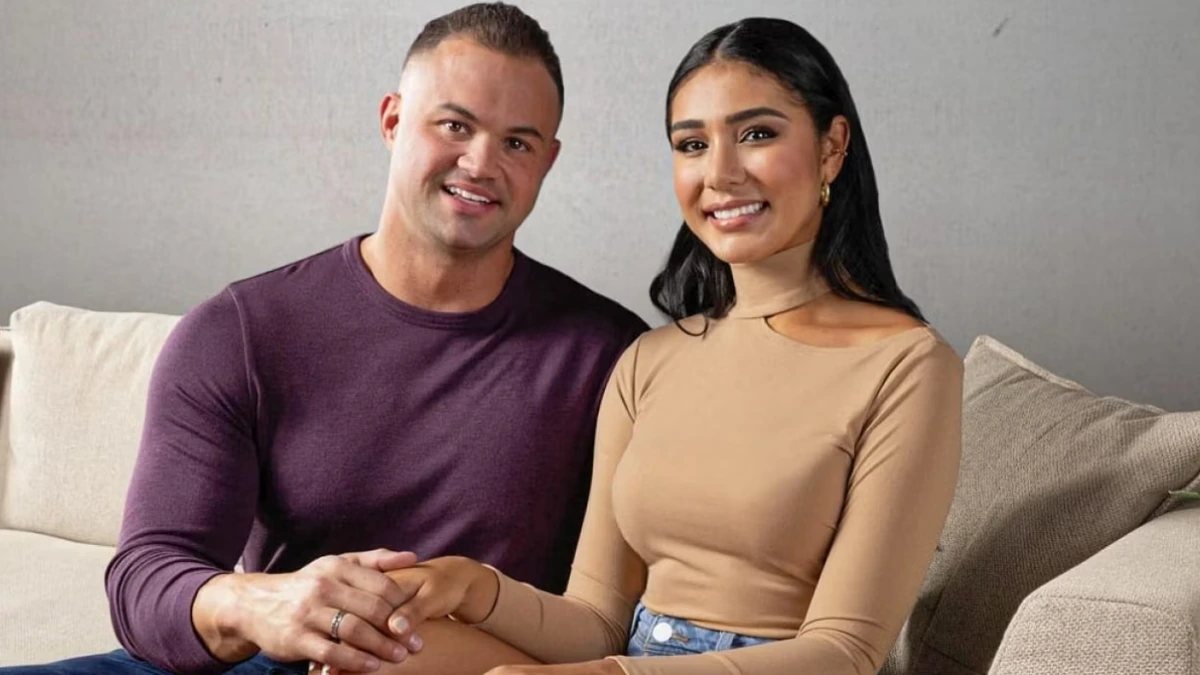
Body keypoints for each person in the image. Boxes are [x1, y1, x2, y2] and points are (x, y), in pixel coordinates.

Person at [0, 4, 647, 675]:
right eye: (455, 125)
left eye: (517, 143)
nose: (480, 162)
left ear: (548, 160)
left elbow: (611, 623)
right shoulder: (240, 330)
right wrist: (264, 603)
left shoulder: (611, 358)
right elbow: (146, 582)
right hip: (272, 662)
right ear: (392, 121)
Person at [343, 17, 964, 675]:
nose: (720, 173)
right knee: (374, 653)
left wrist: (607, 674)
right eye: (692, 144)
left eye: (757, 134)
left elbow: (844, 653)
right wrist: (472, 585)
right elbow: (597, 622)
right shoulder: (650, 360)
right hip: (627, 662)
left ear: (832, 147)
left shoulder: (907, 365)